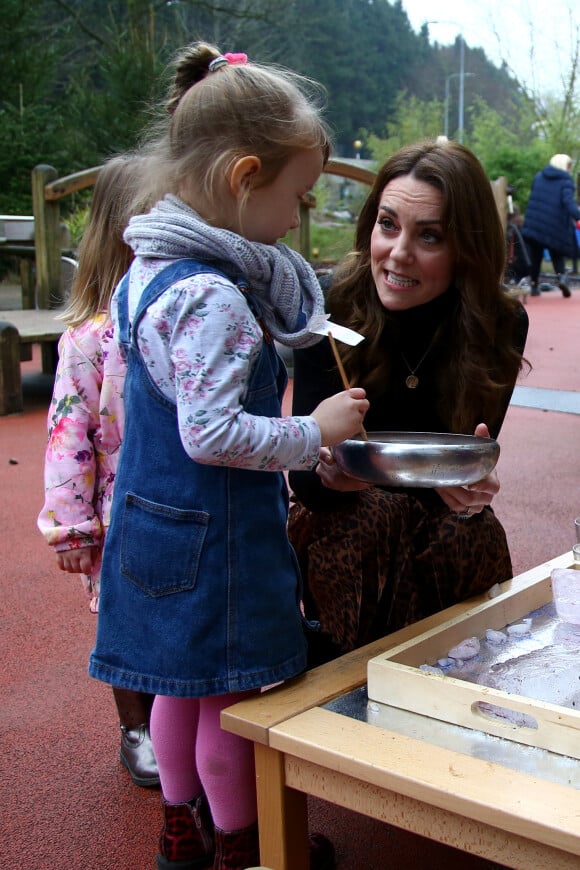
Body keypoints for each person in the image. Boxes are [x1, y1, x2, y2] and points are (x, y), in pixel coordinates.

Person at [88, 42, 368, 870]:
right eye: (295, 196)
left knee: (174, 692)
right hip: (216, 543)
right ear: (245, 177)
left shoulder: (145, 269)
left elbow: (128, 398)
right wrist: (314, 432)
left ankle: (181, 831)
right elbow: (210, 434)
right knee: (231, 705)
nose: (297, 218)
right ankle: (248, 847)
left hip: (151, 522)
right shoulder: (216, 296)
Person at [288, 139, 529, 667]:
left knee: (473, 529)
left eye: (430, 237)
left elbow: (464, 458)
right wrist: (328, 476)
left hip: (430, 516)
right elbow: (302, 476)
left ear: (465, 248)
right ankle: (348, 686)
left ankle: (462, 686)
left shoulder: (498, 323)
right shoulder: (333, 305)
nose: (398, 253)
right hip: (342, 513)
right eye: (388, 224)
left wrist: (475, 487)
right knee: (374, 518)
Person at [37, 154, 160, 788]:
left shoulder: (178, 317)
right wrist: (72, 528)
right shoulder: (90, 339)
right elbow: (68, 436)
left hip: (174, 498)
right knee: (123, 622)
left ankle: (173, 722)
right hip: (119, 507)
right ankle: (134, 728)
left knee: (172, 619)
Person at [522, 153, 580, 297]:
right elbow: (568, 202)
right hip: (554, 224)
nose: (569, 169)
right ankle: (561, 278)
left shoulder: (538, 177)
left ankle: (534, 285)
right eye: (568, 166)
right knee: (556, 252)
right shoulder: (566, 180)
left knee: (536, 255)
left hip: (535, 222)